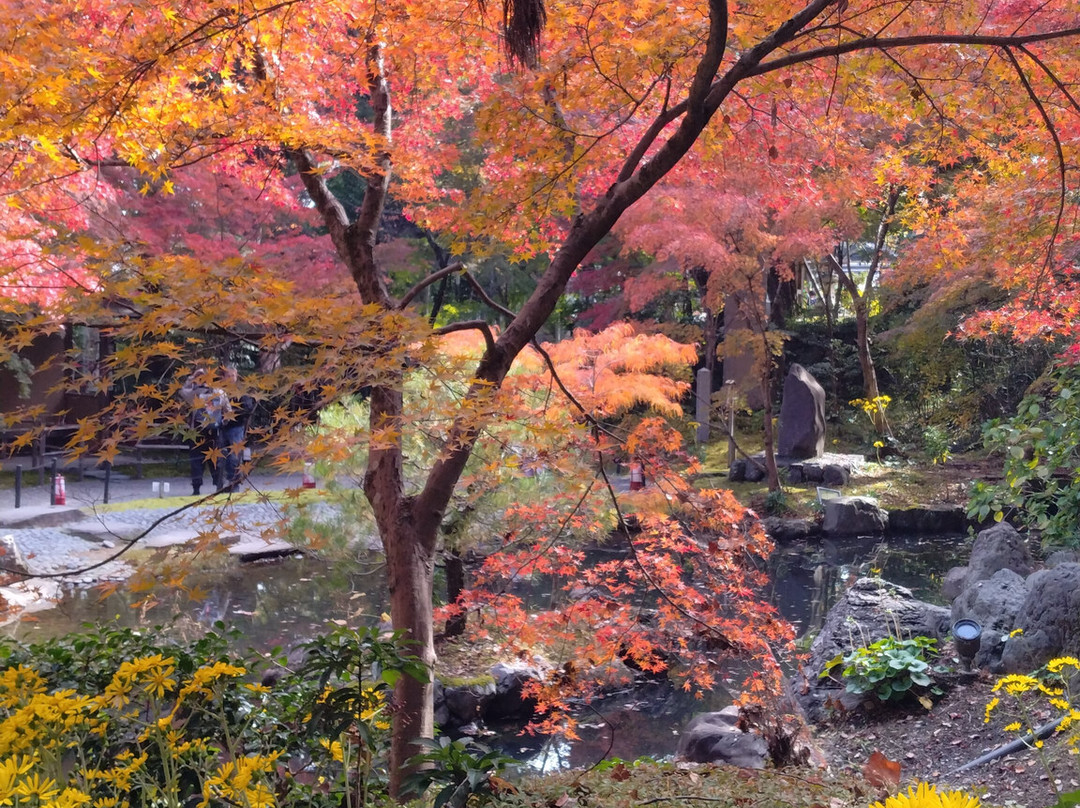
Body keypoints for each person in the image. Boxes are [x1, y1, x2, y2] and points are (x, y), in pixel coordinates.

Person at [179, 368, 230, 495]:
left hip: (197, 431)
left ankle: (196, 489)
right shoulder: (220, 393)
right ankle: (219, 485)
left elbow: (182, 391)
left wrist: (192, 377)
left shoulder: (194, 394)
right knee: (215, 459)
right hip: (215, 431)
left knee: (196, 460)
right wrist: (223, 423)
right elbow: (228, 411)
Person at [219, 365, 255, 491]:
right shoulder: (218, 391)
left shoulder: (241, 390)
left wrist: (232, 413)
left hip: (236, 427)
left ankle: (234, 485)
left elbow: (248, 408)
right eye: (228, 376)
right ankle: (222, 484)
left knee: (234, 457)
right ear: (223, 377)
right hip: (220, 428)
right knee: (221, 457)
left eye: (233, 375)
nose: (231, 378)